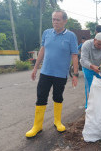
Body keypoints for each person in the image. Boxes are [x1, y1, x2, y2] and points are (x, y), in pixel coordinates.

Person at [25, 10, 79, 138]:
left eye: (58, 19)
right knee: (41, 97)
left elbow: (75, 56)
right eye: (53, 19)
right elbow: (42, 51)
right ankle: (37, 126)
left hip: (60, 74)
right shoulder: (47, 33)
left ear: (65, 21)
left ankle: (57, 121)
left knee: (58, 97)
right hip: (45, 72)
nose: (55, 22)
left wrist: (75, 75)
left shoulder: (71, 36)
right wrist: (35, 68)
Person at [80, 33, 101, 109]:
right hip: (87, 67)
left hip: (99, 68)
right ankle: (89, 106)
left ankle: (99, 104)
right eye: (98, 44)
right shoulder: (86, 44)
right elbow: (84, 59)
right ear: (94, 40)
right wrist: (92, 66)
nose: (100, 47)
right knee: (89, 86)